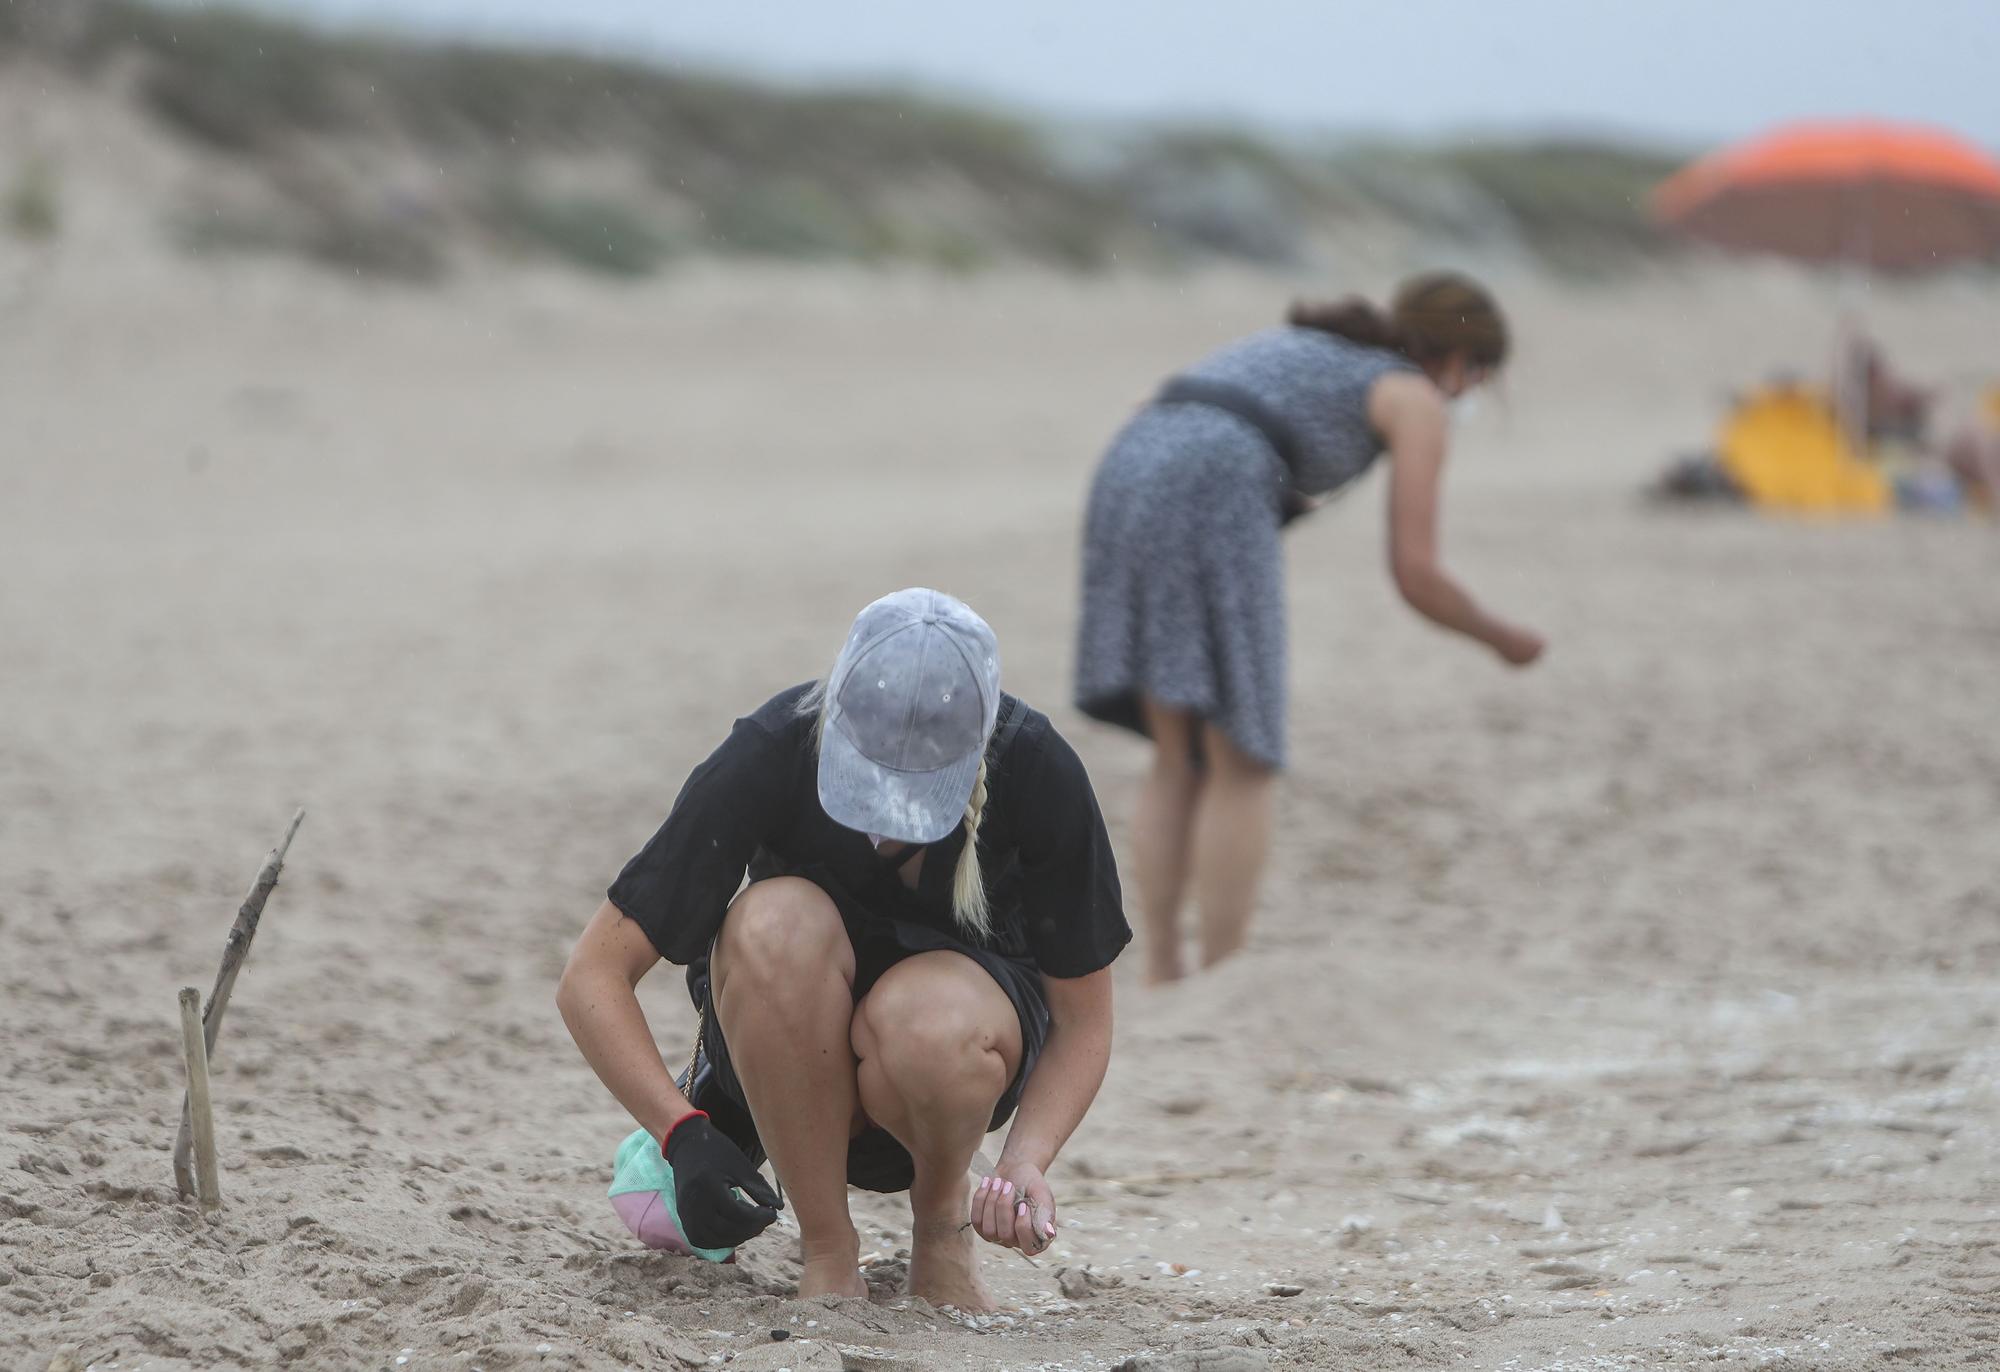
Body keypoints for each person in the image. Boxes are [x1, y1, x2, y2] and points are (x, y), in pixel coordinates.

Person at [557, 588, 1130, 1311]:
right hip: (783, 1075)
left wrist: (1024, 1159)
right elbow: (592, 977)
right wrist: (682, 1133)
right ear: (835, 702)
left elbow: (1085, 1018)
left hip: (941, 1077)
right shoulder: (772, 746)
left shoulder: (1039, 768)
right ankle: (828, 1251)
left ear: (980, 740)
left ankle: (942, 1235)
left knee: (929, 1017)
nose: (889, 820)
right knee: (775, 921)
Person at [1073, 272, 1545, 985]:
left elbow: (1171, 401)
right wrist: (1500, 636)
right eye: (1477, 376)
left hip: (1129, 467)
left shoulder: (1312, 345)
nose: (1468, 393)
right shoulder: (1412, 397)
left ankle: (1164, 966)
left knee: (1179, 755)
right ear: (1458, 359)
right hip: (1215, 483)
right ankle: (1226, 972)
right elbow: (1416, 573)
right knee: (1244, 758)